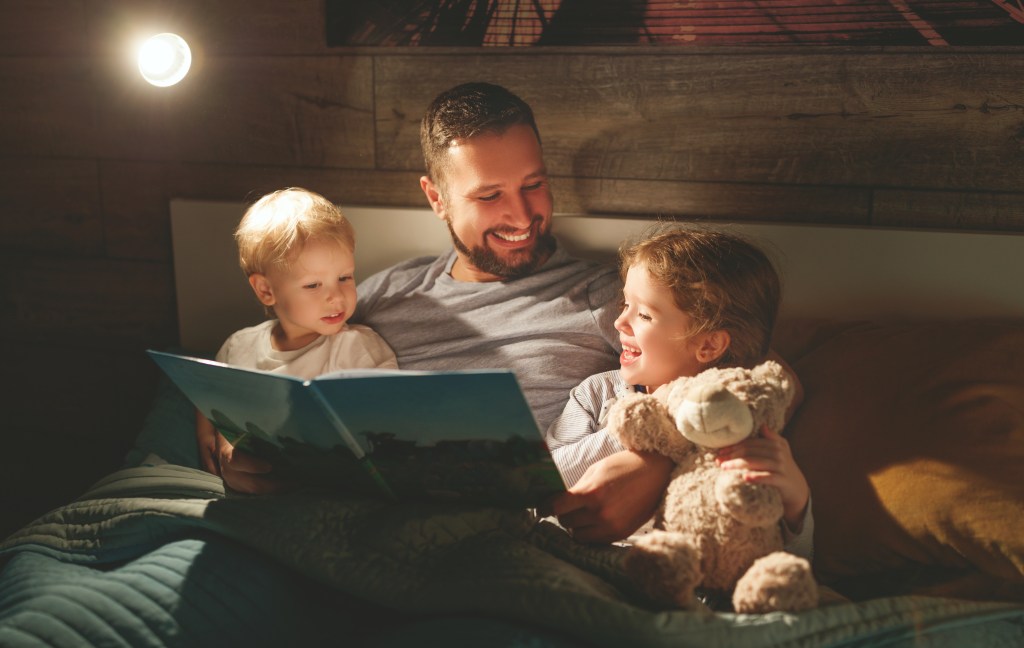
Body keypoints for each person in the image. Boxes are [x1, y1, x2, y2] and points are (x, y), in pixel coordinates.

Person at [209, 82, 802, 545]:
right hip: (350, 517)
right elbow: (265, 355)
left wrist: (648, 459)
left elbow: (760, 371)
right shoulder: (378, 294)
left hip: (505, 531)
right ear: (436, 198)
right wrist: (222, 435)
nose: (521, 215)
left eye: (534, 184)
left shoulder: (606, 297)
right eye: (489, 195)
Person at [544, 228, 812, 556]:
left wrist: (797, 499)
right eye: (625, 304)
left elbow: (787, 555)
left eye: (643, 314)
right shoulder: (599, 392)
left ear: (709, 344)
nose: (620, 323)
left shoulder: (744, 417)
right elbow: (547, 478)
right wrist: (654, 415)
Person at [195, 187, 398, 488]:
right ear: (265, 290)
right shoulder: (239, 346)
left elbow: (393, 420)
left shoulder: (356, 347)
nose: (336, 296)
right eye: (313, 285)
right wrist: (213, 440)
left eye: (344, 277)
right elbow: (205, 393)